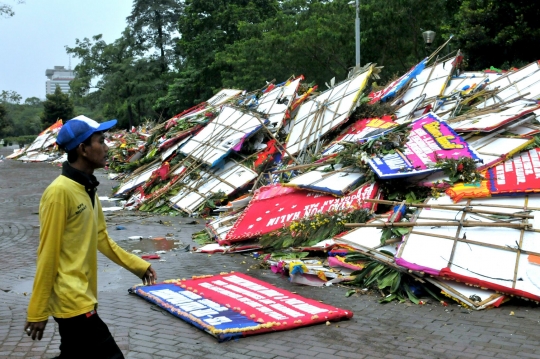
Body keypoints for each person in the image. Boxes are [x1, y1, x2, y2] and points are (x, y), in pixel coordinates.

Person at [24, 116, 157, 359]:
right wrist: (37, 310)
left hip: (83, 294)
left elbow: (101, 238)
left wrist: (138, 265)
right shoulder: (59, 193)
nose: (107, 147)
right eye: (101, 141)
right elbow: (47, 254)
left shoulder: (87, 189)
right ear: (83, 149)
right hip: (71, 299)